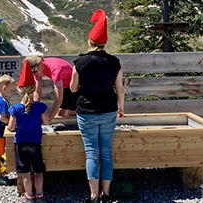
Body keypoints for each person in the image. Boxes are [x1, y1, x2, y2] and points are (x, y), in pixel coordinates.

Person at [69, 9, 125, 203]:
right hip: (109, 109)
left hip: (86, 112)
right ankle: (106, 195)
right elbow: (120, 89)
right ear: (104, 42)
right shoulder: (115, 62)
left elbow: (73, 88)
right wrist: (121, 108)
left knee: (91, 153)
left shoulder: (80, 62)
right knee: (107, 153)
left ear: (90, 41)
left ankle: (93, 196)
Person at [7, 60, 49, 203]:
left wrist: (9, 127)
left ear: (20, 90)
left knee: (25, 172)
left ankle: (29, 196)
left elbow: (11, 127)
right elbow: (46, 122)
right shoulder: (39, 106)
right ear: (33, 89)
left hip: (20, 142)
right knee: (38, 171)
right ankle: (40, 194)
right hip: (35, 142)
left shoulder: (14, 109)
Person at [25, 55, 78, 121]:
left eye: (34, 72)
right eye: (31, 73)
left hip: (73, 85)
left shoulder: (55, 71)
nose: (34, 75)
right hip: (64, 84)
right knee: (61, 114)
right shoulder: (38, 69)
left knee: (61, 115)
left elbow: (59, 99)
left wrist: (49, 119)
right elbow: (37, 91)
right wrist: (36, 109)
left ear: (40, 63)